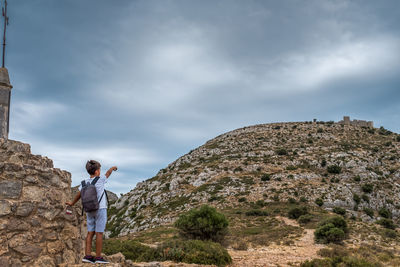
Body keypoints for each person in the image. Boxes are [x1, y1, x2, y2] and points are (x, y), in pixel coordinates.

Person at [66, 160, 117, 264]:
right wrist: (112, 168)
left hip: (89, 210)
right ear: (97, 171)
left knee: (90, 233)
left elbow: (79, 194)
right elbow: (108, 174)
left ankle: (87, 256)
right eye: (99, 170)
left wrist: (72, 203)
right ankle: (98, 258)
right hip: (100, 209)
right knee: (99, 233)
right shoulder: (100, 179)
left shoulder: (84, 182)